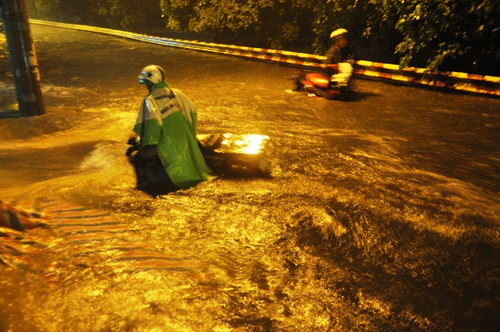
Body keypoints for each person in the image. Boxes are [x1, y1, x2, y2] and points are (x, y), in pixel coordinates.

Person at [132, 64, 213, 190]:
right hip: (185, 140)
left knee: (138, 159)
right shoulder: (178, 93)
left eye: (146, 83)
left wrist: (142, 143)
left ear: (151, 82)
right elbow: (192, 111)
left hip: (166, 146)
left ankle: (142, 186)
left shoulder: (150, 99)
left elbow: (151, 129)